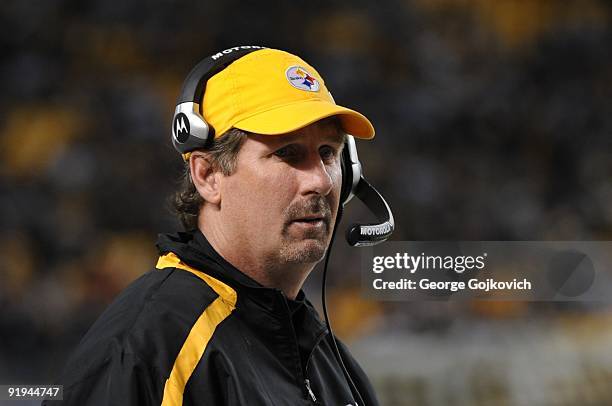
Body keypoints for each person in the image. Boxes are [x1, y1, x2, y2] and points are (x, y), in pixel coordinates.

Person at [45, 47, 381, 405]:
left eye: (328, 153)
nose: (321, 181)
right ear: (208, 175)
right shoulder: (144, 352)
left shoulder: (333, 364)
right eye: (287, 153)